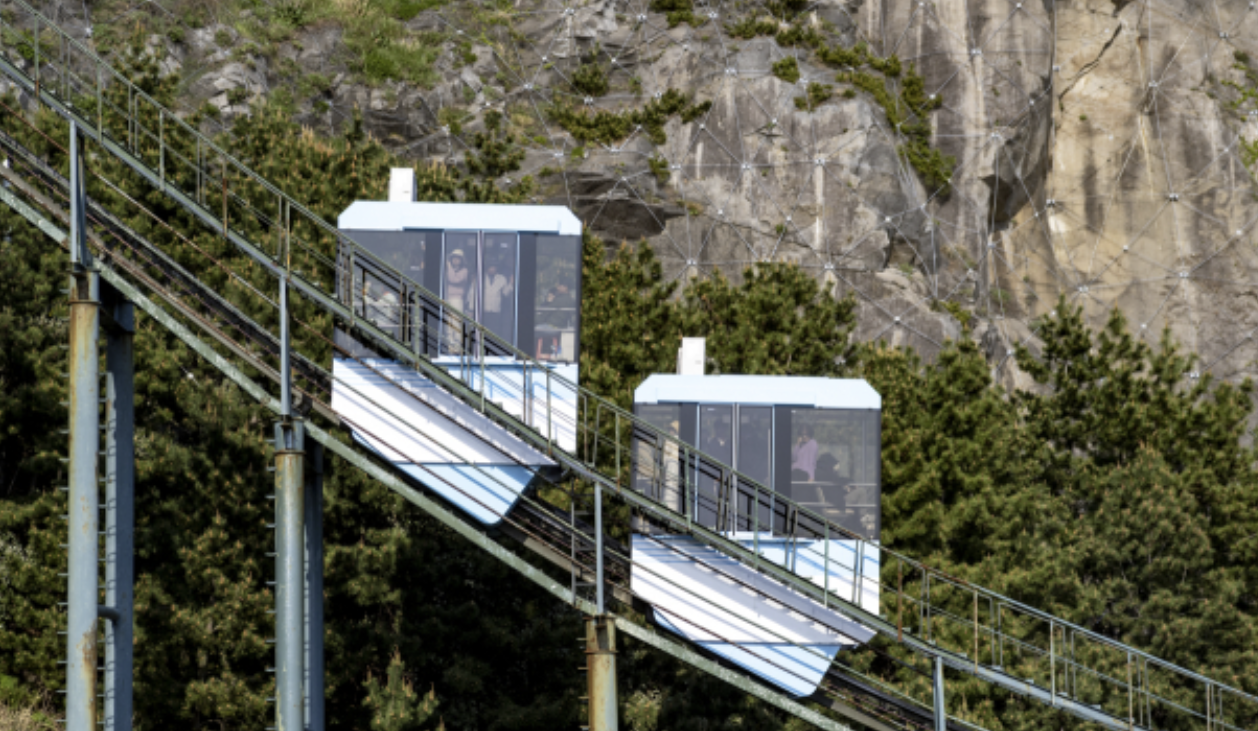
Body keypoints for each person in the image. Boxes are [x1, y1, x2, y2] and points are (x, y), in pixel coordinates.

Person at [443, 249, 473, 353]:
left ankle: (457, 347)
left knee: (456, 323)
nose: (455, 260)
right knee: (448, 324)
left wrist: (449, 267)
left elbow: (453, 279)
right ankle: (449, 348)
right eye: (454, 258)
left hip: (457, 299)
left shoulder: (464, 271)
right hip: (447, 298)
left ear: (461, 260)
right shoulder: (448, 270)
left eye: (458, 258)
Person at [482, 262, 514, 339]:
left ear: (496, 268)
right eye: (490, 267)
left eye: (494, 267)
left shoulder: (501, 278)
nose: (492, 269)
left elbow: (506, 293)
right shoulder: (481, 277)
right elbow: (473, 293)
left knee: (494, 333)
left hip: (495, 311)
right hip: (483, 311)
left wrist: (511, 283)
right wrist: (471, 309)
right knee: (483, 332)